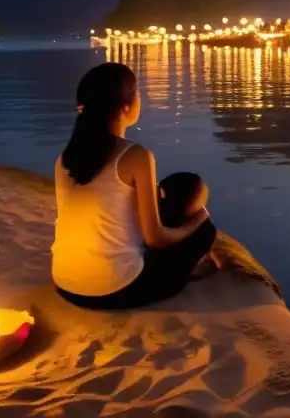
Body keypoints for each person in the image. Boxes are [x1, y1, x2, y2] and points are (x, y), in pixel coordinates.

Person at [52, 63, 217, 310]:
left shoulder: (65, 158)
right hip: (116, 291)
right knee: (205, 232)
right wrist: (197, 221)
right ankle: (189, 269)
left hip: (65, 285)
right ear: (126, 106)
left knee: (166, 195)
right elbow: (156, 239)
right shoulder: (136, 155)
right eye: (138, 92)